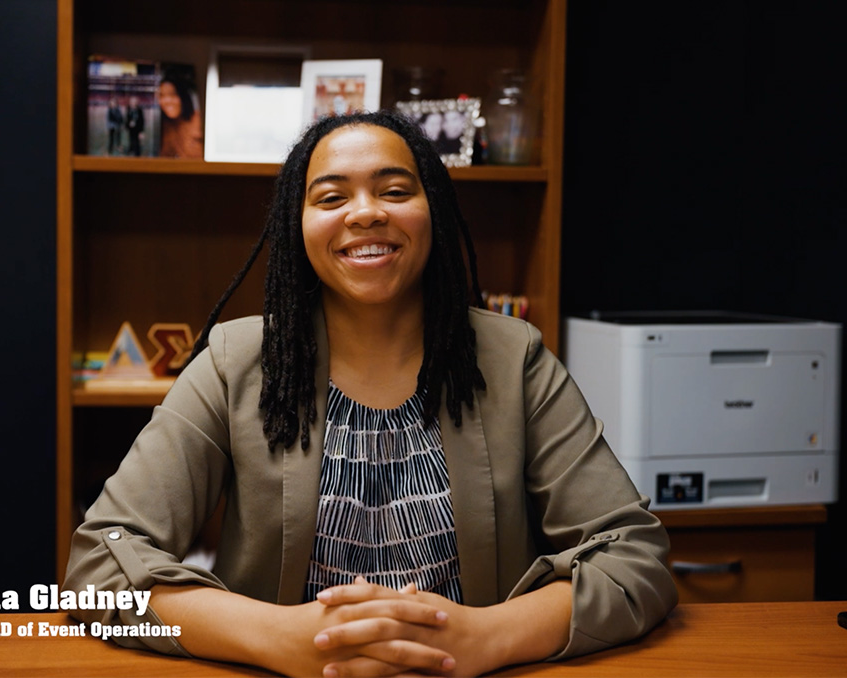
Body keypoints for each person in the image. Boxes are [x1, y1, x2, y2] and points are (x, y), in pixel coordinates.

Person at [64, 110, 677, 677]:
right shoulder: (234, 363)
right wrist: (275, 635)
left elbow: (634, 559)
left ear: (431, 209)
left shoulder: (512, 358)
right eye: (331, 197)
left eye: (394, 190)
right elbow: (97, 568)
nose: (365, 213)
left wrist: (485, 637)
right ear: (296, 225)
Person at [158, 75, 204, 159]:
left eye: (172, 95)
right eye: (161, 95)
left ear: (183, 96)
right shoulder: (166, 126)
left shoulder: (199, 120)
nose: (166, 101)